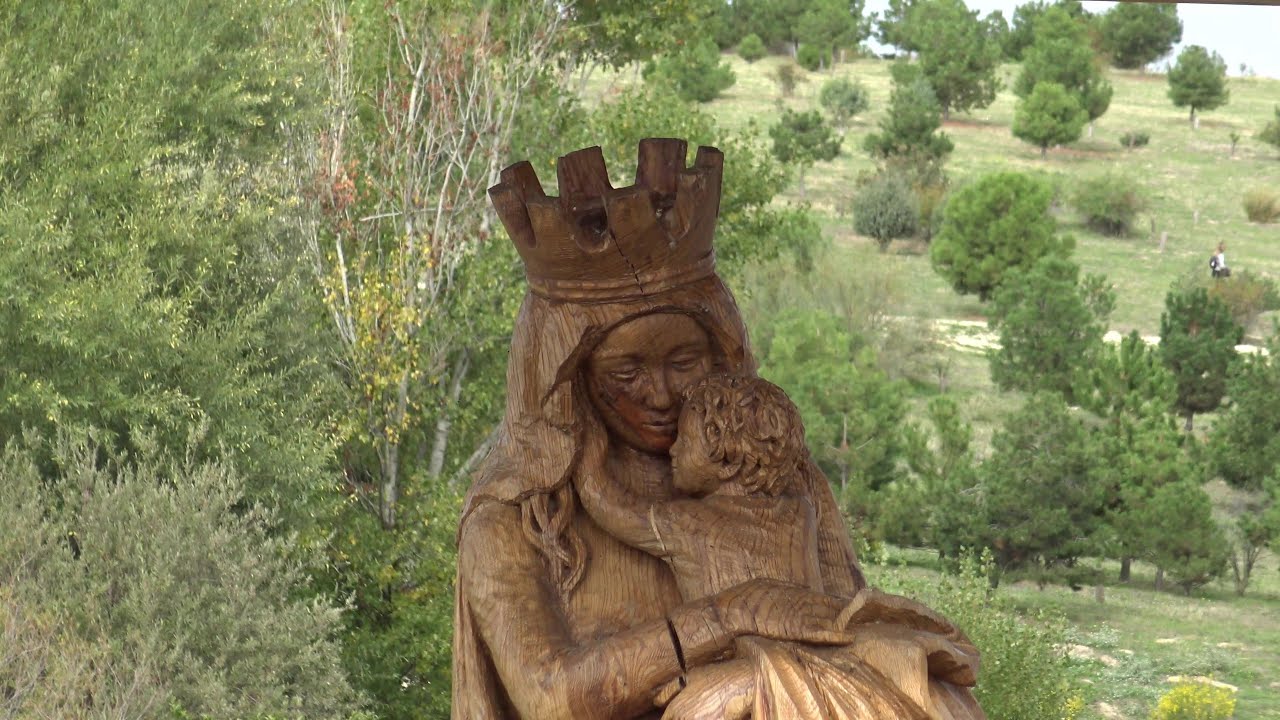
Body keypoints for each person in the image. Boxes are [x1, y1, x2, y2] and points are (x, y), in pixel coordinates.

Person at [452, 140, 984, 719]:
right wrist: (728, 614)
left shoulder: (780, 479)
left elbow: (831, 631)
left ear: (722, 354)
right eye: (626, 373)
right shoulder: (516, 513)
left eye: (685, 363)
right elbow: (548, 695)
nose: (661, 396)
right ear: (569, 378)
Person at [575, 373, 978, 719]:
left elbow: (606, 503)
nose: (672, 450)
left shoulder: (687, 523)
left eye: (683, 438)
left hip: (760, 665)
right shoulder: (799, 512)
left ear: (726, 457)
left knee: (694, 709)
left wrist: (586, 442)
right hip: (826, 657)